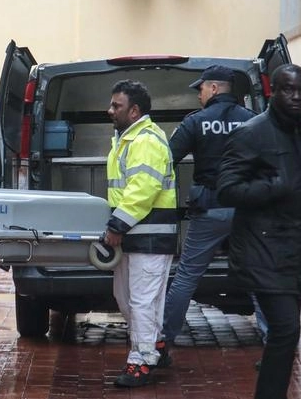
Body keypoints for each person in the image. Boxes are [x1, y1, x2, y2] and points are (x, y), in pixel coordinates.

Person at [216, 64, 301, 399]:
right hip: (262, 250)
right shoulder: (252, 133)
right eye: (288, 89)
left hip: (296, 251)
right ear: (273, 91)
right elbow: (226, 189)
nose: (296, 96)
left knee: (286, 335)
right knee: (285, 329)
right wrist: (270, 188)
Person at [156, 65, 265, 366]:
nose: (200, 94)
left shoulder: (196, 122)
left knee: (187, 276)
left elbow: (167, 160)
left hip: (210, 207)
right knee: (258, 276)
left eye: (201, 88)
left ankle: (163, 342)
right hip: (246, 209)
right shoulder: (254, 121)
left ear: (214, 89)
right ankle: (273, 345)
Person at [101, 80, 177, 387]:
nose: (110, 110)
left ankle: (142, 361)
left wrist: (117, 225)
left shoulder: (144, 140)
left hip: (148, 236)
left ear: (135, 111)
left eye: (116, 106)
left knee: (142, 302)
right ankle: (155, 343)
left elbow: (142, 189)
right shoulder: (127, 138)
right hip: (137, 235)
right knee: (126, 298)